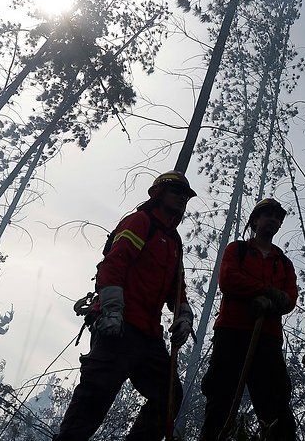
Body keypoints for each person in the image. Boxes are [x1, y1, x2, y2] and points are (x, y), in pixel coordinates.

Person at [54, 171, 197, 440]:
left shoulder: (174, 242)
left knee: (168, 397)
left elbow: (177, 289)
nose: (182, 198)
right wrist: (111, 310)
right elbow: (113, 264)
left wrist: (184, 316)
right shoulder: (140, 222)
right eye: (176, 191)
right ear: (158, 193)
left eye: (185, 195)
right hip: (120, 325)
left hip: (149, 335)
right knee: (96, 395)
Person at [199, 198, 299, 441]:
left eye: (278, 217)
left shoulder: (284, 263)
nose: (274, 220)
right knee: (221, 397)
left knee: (275, 402)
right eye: (268, 215)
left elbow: (290, 299)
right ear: (255, 220)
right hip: (232, 332)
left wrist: (271, 301)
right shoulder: (238, 250)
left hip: (268, 338)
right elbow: (229, 280)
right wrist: (266, 291)